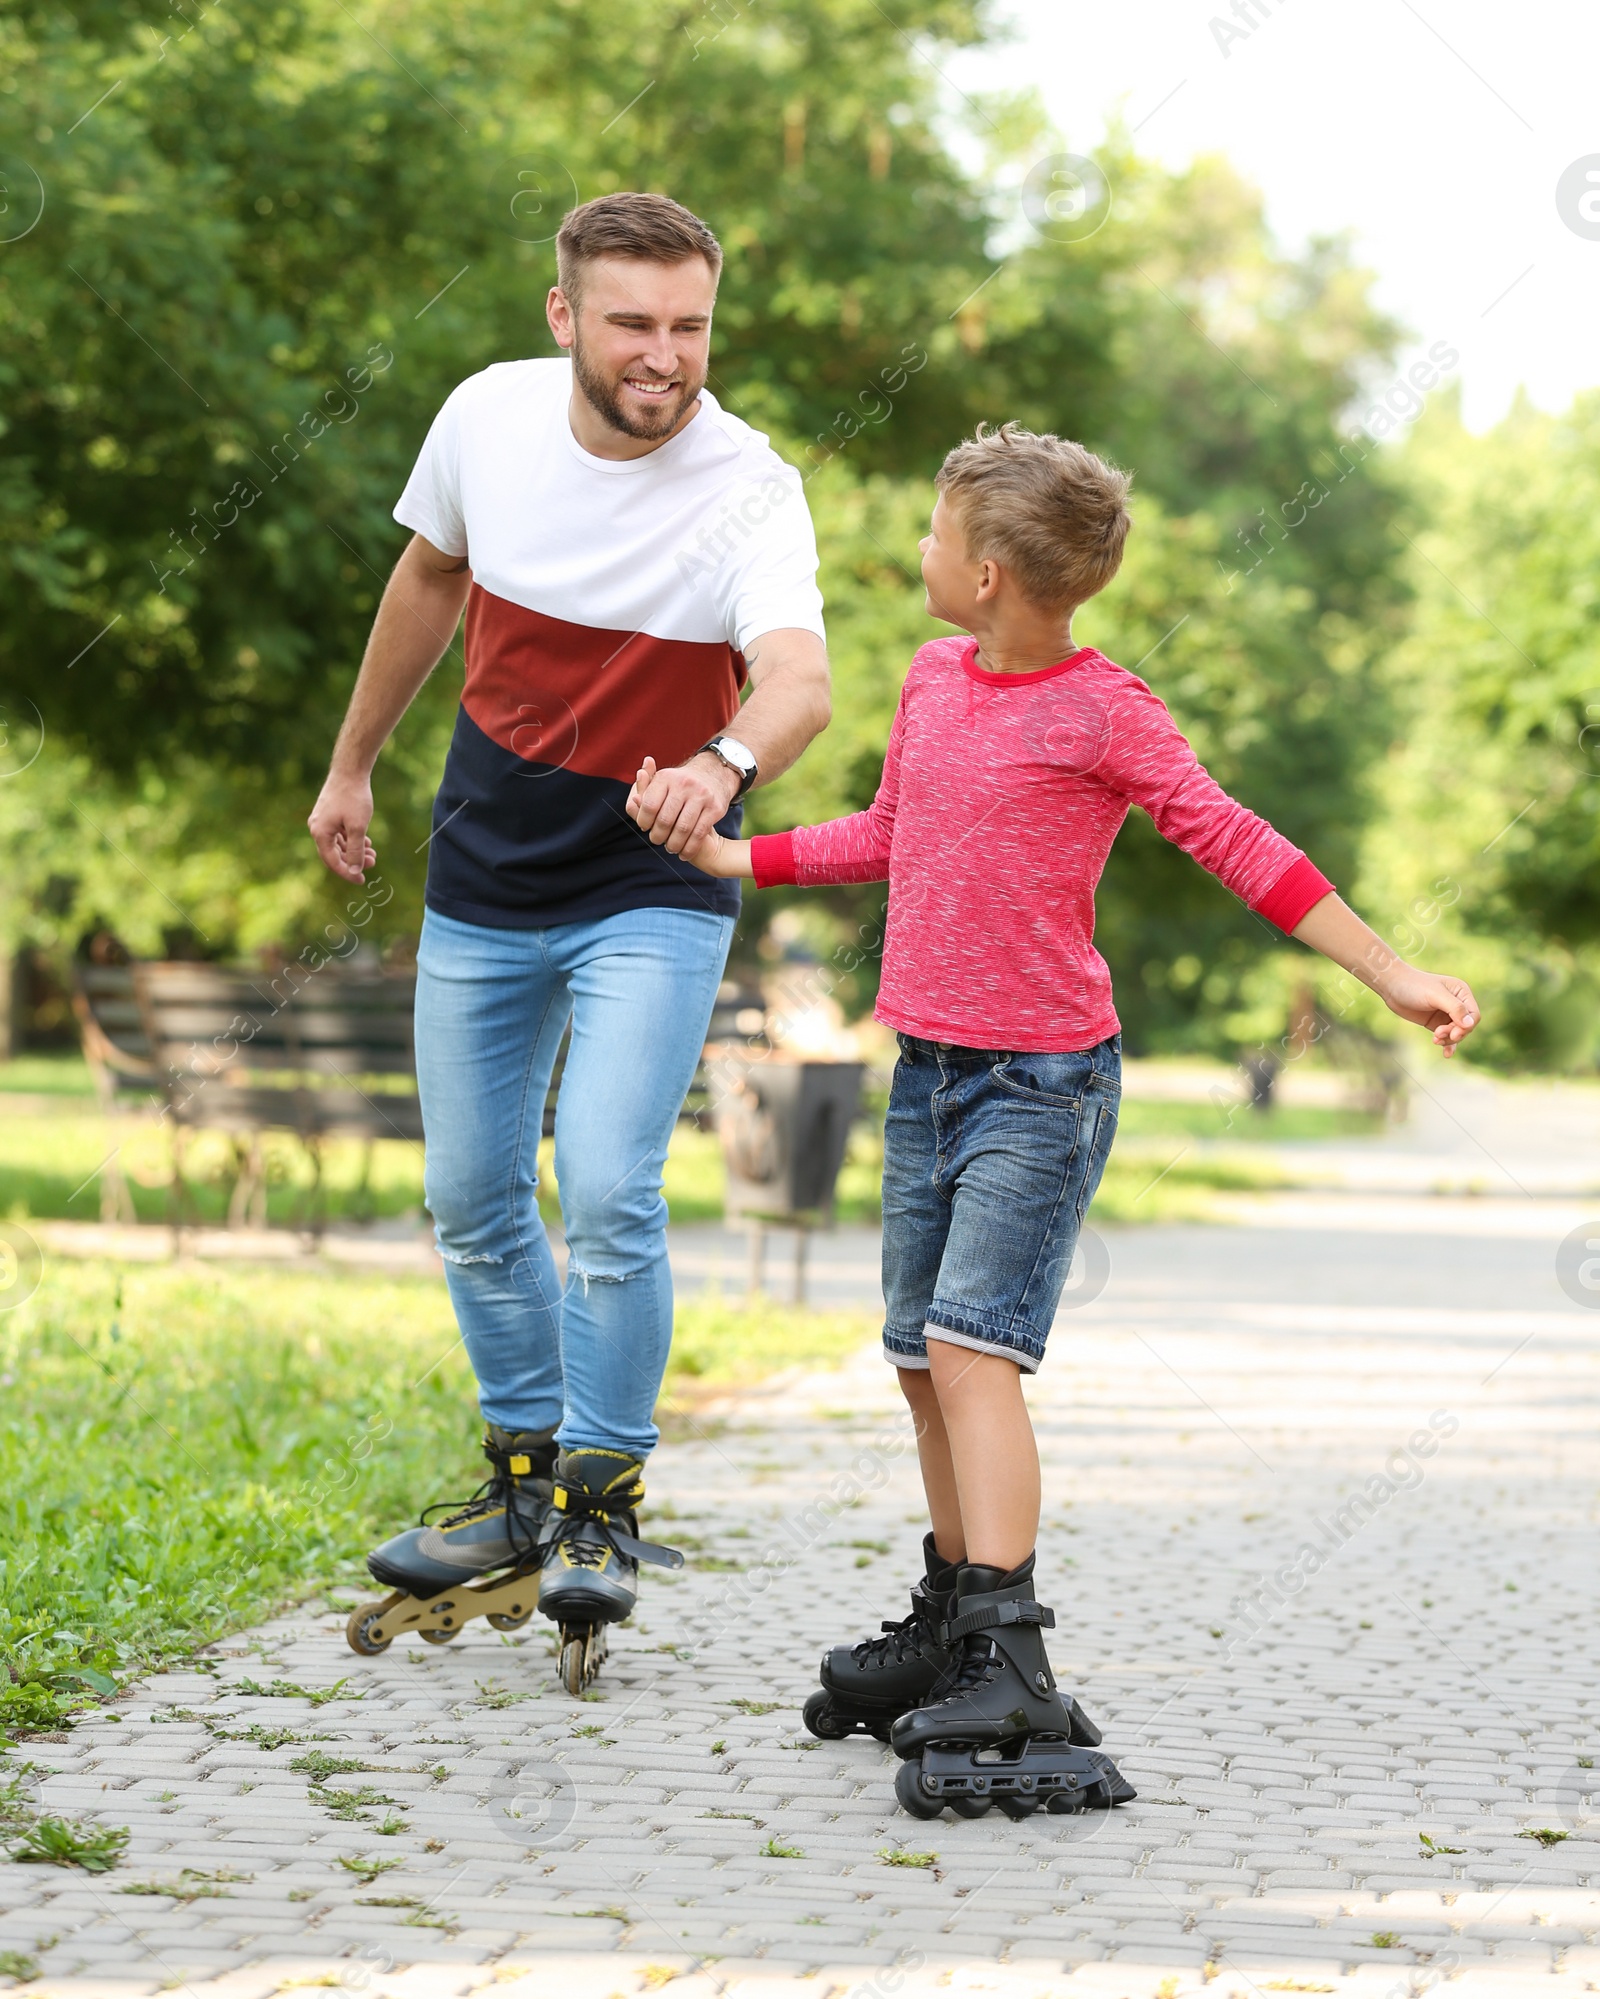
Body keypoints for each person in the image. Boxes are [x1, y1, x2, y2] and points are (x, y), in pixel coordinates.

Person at [645, 421, 1481, 1814]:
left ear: (982, 572)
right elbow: (891, 833)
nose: (913, 552)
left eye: (929, 534)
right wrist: (741, 854)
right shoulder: (932, 680)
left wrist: (1391, 972)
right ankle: (956, 1620)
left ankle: (1013, 1654)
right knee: (921, 1359)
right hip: (929, 1071)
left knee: (977, 1351)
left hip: (1042, 1084)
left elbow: (1241, 843)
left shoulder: (1108, 711)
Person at [308, 193, 831, 1686]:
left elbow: (799, 677)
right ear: (565, 319)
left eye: (691, 326)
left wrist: (724, 761)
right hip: (483, 868)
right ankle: (521, 1484)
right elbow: (426, 581)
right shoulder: (484, 419)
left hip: (651, 885)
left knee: (605, 1186)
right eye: (634, 323)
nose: (666, 356)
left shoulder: (751, 485)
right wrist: (352, 765)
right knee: (473, 1196)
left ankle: (602, 1504)